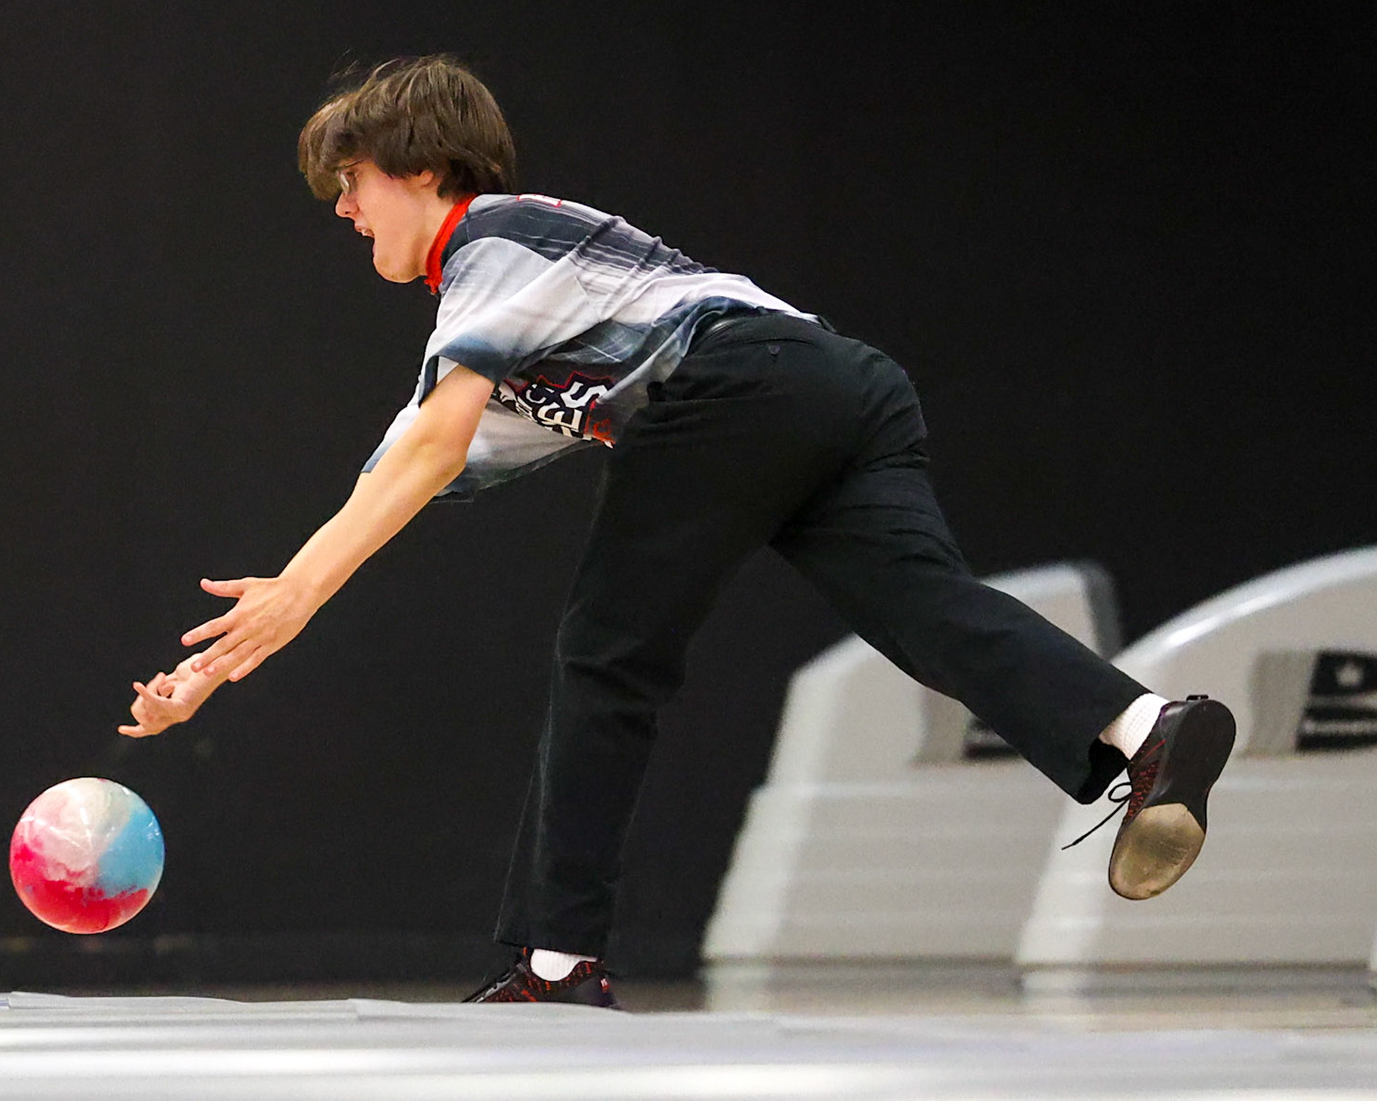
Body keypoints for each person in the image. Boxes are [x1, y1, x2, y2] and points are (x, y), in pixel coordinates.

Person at [118, 56, 1237, 1007]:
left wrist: (297, 595)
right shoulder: (495, 322)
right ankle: (1147, 728)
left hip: (741, 384)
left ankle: (558, 962)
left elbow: (427, 452)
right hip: (839, 383)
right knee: (924, 613)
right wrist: (228, 656)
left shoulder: (493, 240)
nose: (342, 209)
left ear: (421, 168)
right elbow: (389, 485)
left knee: (608, 652)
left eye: (351, 183)